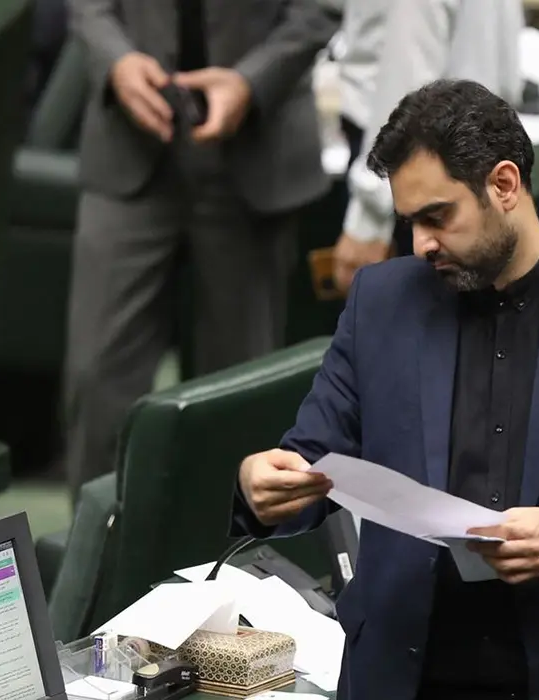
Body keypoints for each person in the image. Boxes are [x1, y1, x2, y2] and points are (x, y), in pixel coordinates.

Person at [232, 80, 539, 699]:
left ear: (504, 186)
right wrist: (264, 486)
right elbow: (312, 461)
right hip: (410, 673)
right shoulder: (381, 304)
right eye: (409, 222)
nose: (421, 244)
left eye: (437, 217)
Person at [64, 0, 339, 497]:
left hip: (254, 143)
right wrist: (116, 61)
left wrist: (252, 81)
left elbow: (320, 8)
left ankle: (226, 538)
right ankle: (99, 538)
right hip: (129, 143)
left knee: (239, 387)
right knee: (96, 374)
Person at [332, 0, 524, 294]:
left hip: (411, 162)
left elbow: (407, 83)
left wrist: (367, 220)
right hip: (477, 141)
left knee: (419, 310)